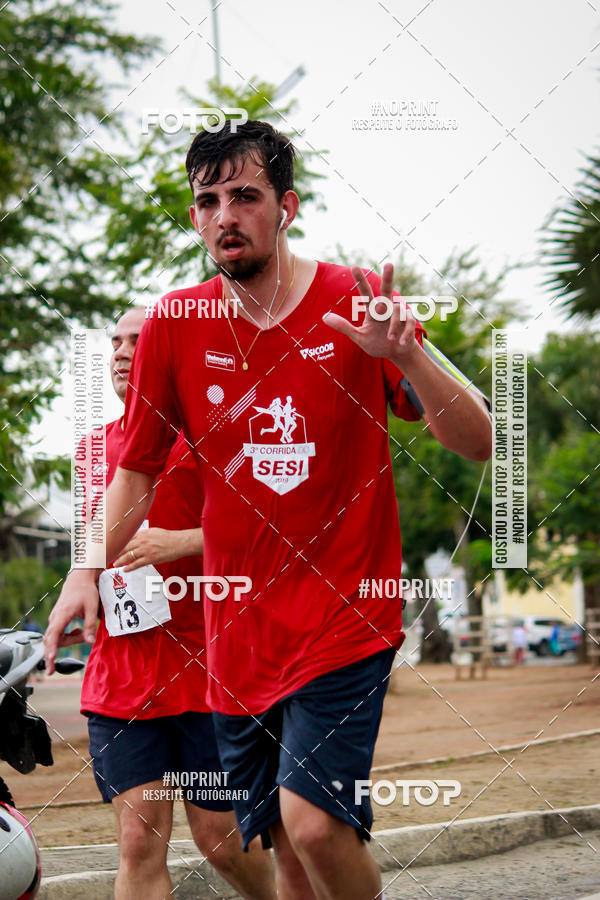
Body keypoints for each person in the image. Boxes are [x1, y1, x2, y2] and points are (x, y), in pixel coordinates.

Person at [45, 120, 492, 900]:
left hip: (345, 617)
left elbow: (480, 438)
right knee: (284, 850)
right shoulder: (174, 324)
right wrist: (84, 570)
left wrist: (408, 354)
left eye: (245, 196)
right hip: (237, 640)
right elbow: (137, 472)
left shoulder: (357, 299)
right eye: (208, 200)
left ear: (286, 207)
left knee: (315, 822)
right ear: (194, 218)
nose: (226, 214)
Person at [68, 307, 275, 900]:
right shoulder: (89, 451)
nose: (123, 352)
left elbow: (267, 532)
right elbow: (90, 548)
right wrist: (80, 589)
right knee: (137, 842)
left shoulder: (216, 441)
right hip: (122, 674)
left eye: (138, 341)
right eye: (115, 342)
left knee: (222, 841)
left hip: (207, 671)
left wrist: (179, 543)